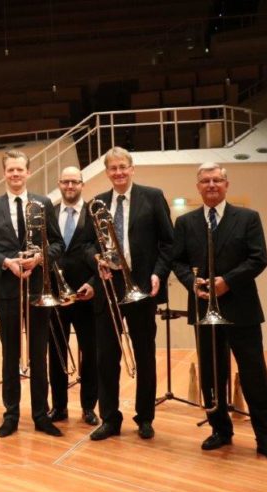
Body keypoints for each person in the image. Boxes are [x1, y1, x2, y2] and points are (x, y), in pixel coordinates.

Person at [172, 162, 267, 464]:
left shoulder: (248, 218)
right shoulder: (185, 223)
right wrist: (191, 283)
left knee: (254, 374)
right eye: (205, 181)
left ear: (226, 184)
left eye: (217, 180)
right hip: (202, 306)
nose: (211, 185)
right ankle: (220, 430)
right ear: (198, 187)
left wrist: (227, 282)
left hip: (241, 308)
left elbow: (258, 258)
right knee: (211, 372)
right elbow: (178, 261)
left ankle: (266, 439)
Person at [0, 150, 65, 438]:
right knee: (10, 355)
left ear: (28, 172)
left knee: (40, 354)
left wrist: (40, 258)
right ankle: (11, 414)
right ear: (4, 173)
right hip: (7, 290)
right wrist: (6, 262)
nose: (15, 174)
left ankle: (41, 415)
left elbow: (57, 244)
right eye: (10, 170)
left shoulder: (44, 202)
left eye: (20, 170)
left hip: (39, 288)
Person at [89, 147, 173, 441]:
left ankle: (145, 417)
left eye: (123, 167)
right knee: (106, 357)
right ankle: (109, 418)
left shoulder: (152, 196)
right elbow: (89, 244)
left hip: (141, 288)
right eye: (113, 168)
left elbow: (168, 243)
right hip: (109, 288)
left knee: (145, 355)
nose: (119, 173)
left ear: (132, 168)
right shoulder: (97, 202)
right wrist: (97, 260)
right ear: (107, 172)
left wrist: (158, 273)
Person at [46, 167, 100, 426]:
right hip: (56, 295)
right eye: (65, 182)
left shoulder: (94, 214)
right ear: (59, 184)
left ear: (82, 184)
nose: (70, 186)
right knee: (56, 353)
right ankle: (59, 406)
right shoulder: (50, 213)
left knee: (90, 352)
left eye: (74, 182)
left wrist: (94, 284)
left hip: (86, 295)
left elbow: (104, 252)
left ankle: (89, 406)